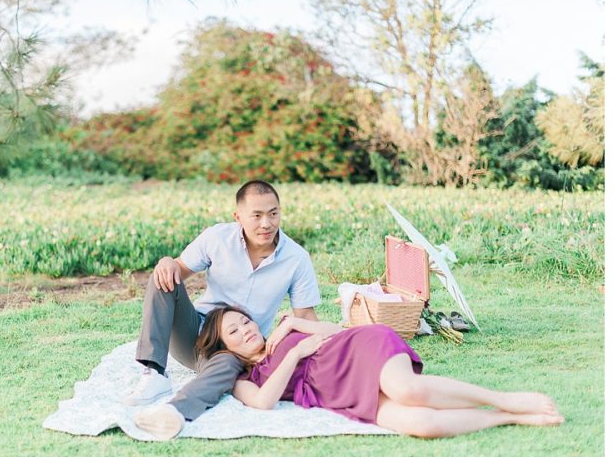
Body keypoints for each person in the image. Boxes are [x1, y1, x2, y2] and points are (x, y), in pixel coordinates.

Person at [126, 180, 321, 440]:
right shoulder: (217, 237)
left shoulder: (296, 259)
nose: (267, 224)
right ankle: (153, 372)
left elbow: (305, 316)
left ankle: (173, 413)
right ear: (238, 216)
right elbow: (178, 269)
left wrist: (330, 345)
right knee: (162, 276)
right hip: (195, 333)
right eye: (257, 215)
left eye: (273, 214)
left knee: (227, 365)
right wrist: (166, 262)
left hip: (240, 347)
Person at [189, 306, 564, 438]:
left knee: (408, 390)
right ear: (226, 348)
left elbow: (340, 332)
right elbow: (264, 403)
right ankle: (504, 418)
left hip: (360, 351)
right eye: (235, 332)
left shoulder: (284, 331)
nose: (247, 330)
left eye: (244, 321)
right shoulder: (244, 381)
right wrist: (295, 355)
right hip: (340, 394)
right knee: (422, 425)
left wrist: (293, 327)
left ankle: (505, 399)